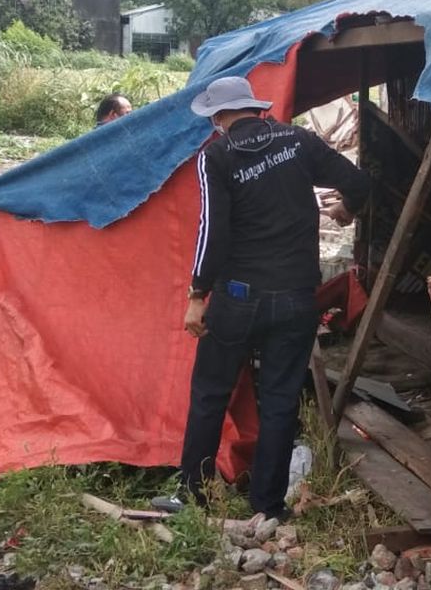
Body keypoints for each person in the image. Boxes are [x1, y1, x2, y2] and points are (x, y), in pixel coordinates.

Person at [154, 76, 371, 520]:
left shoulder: (216, 157)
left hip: (238, 299)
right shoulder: (299, 140)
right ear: (254, 108)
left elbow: (211, 232)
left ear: (218, 118)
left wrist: (198, 294)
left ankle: (193, 495)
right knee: (279, 400)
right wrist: (347, 210)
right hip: (296, 298)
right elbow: (359, 182)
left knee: (211, 393)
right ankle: (268, 508)